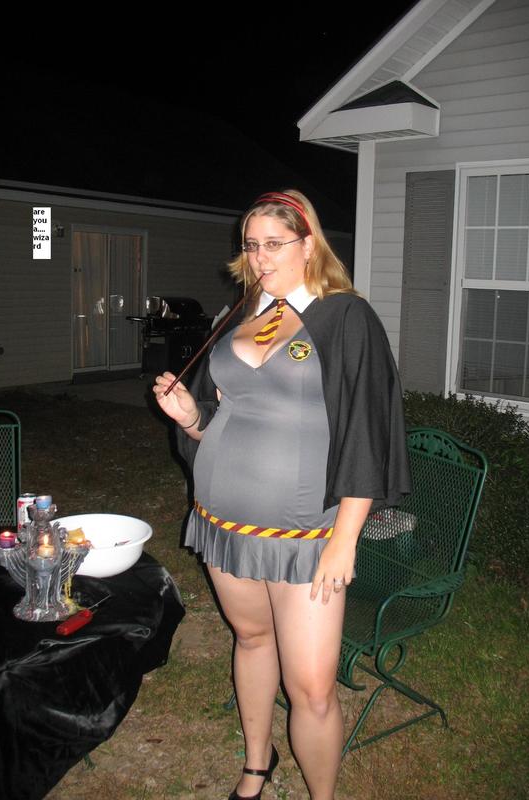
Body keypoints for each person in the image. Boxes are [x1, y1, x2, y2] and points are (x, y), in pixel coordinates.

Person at [154, 189, 411, 800]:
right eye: (251, 245)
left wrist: (344, 539)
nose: (260, 257)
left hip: (306, 531)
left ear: (308, 243)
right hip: (223, 517)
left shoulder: (344, 317)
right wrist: (191, 417)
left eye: (275, 243)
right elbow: (226, 414)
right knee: (251, 639)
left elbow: (366, 433)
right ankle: (255, 764)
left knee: (312, 687)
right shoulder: (243, 313)